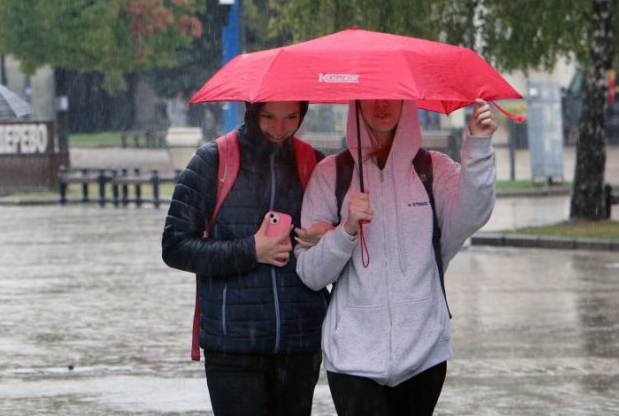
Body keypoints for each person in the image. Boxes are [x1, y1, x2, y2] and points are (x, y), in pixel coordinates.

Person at [294, 99, 498, 416]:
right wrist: (345, 230)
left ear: (407, 100)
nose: (381, 104)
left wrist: (480, 146)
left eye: (391, 95)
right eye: (371, 95)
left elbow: (473, 214)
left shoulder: (433, 169)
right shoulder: (331, 175)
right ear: (356, 103)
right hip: (352, 358)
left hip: (423, 354)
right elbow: (311, 273)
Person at [162, 101, 333, 416]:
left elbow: (341, 255)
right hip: (231, 347)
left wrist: (331, 236)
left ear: (303, 114)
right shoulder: (211, 162)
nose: (280, 129)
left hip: (300, 342)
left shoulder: (315, 165)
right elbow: (174, 247)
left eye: (290, 118)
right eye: (269, 117)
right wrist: (251, 251)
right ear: (252, 111)